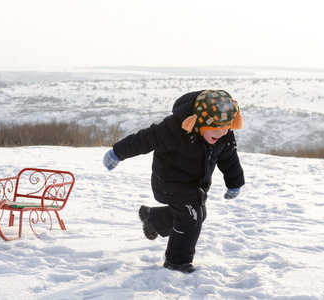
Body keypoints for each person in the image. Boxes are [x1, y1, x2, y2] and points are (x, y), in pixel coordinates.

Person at [103, 89, 245, 273]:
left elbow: (229, 159)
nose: (222, 133)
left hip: (196, 185)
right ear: (199, 122)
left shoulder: (223, 136)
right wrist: (117, 152)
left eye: (226, 128)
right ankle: (177, 262)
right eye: (217, 130)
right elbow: (144, 139)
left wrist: (235, 182)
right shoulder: (174, 129)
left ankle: (153, 219)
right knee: (191, 218)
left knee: (198, 216)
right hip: (170, 181)